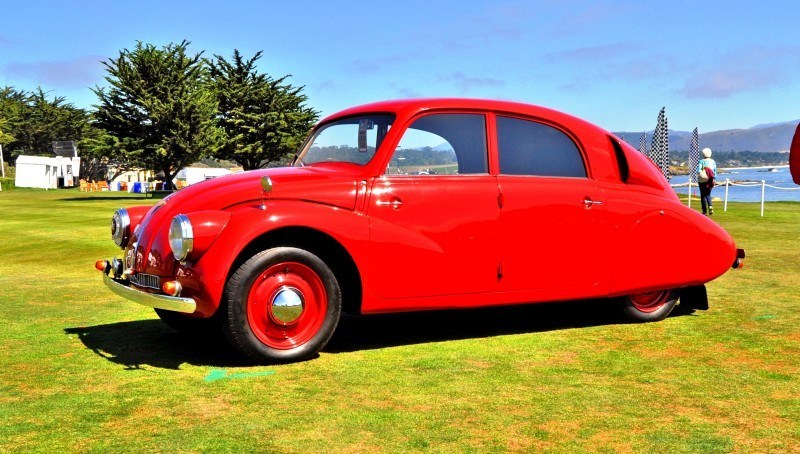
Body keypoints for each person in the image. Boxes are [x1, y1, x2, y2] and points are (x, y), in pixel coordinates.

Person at [697, 147, 717, 215]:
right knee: (708, 194)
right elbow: (714, 172)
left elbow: (698, 170)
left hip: (703, 180)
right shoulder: (713, 161)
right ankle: (710, 206)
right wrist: (714, 179)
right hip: (710, 180)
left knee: (703, 195)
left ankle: (704, 211)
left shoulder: (701, 161)